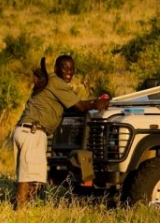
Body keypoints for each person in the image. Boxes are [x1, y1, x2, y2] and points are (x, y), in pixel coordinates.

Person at [13, 55, 109, 210]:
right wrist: (96, 103)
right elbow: (80, 106)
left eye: (72, 69)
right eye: (65, 68)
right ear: (56, 69)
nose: (69, 72)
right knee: (28, 178)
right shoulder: (56, 83)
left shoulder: (51, 81)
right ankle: (19, 213)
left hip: (29, 131)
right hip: (33, 132)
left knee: (35, 178)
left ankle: (23, 209)